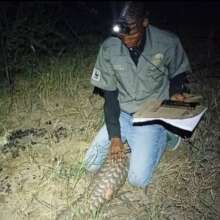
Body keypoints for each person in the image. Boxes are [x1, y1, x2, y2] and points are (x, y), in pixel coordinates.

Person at [84, 1, 191, 190]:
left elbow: (178, 73)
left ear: (145, 22)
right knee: (90, 162)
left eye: (131, 32)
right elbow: (110, 97)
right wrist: (115, 137)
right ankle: (136, 139)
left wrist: (175, 92)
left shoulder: (166, 42)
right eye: (121, 33)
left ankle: (166, 135)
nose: (126, 39)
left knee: (137, 180)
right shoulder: (109, 48)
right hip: (123, 114)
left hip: (151, 114)